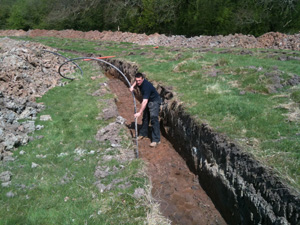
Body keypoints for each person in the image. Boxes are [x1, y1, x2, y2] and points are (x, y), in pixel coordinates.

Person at [130, 73, 161, 147]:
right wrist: (132, 86)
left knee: (153, 118)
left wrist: (139, 112)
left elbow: (144, 101)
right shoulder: (138, 82)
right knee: (146, 117)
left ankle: (156, 140)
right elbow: (136, 81)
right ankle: (143, 133)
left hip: (154, 101)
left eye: (139, 81)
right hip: (148, 100)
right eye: (136, 81)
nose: (138, 82)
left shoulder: (146, 87)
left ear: (143, 79)